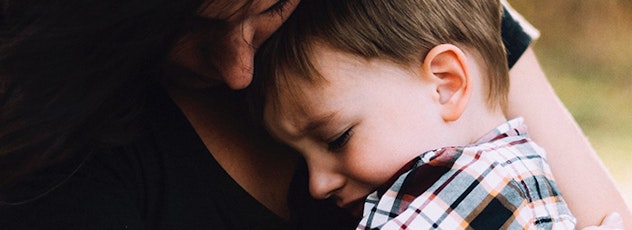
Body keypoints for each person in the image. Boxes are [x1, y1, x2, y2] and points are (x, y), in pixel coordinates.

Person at [0, 0, 628, 229]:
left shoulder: (419, 23)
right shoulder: (63, 151)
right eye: (186, 25)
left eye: (269, 6)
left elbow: (606, 215)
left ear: (445, 81)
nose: (240, 69)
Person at [252, 0, 577, 228]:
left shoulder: (470, 191)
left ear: (445, 85)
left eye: (338, 139)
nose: (316, 185)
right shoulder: (519, 172)